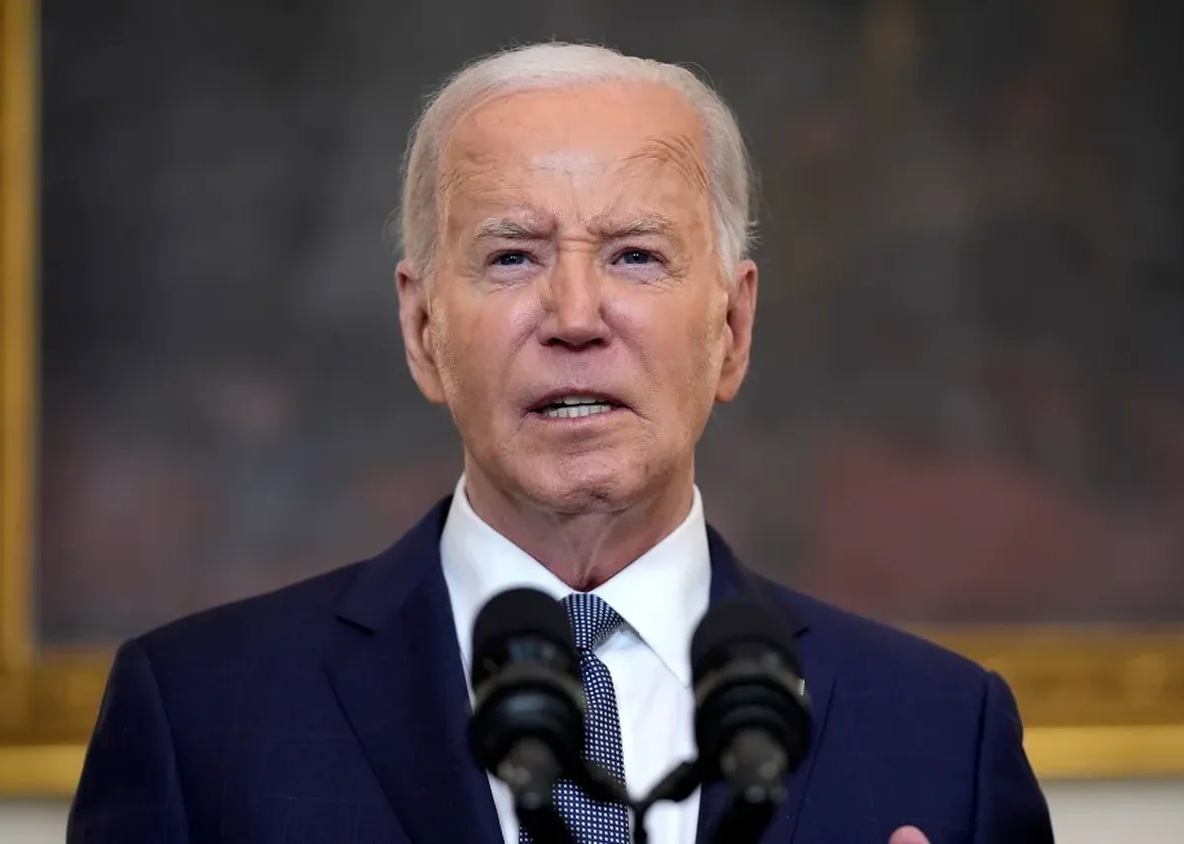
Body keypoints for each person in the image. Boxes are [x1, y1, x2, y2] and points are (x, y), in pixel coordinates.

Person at [67, 42, 1053, 844]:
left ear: (733, 329)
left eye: (634, 254)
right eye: (511, 256)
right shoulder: (200, 719)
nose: (575, 315)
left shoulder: (939, 735)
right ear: (422, 331)